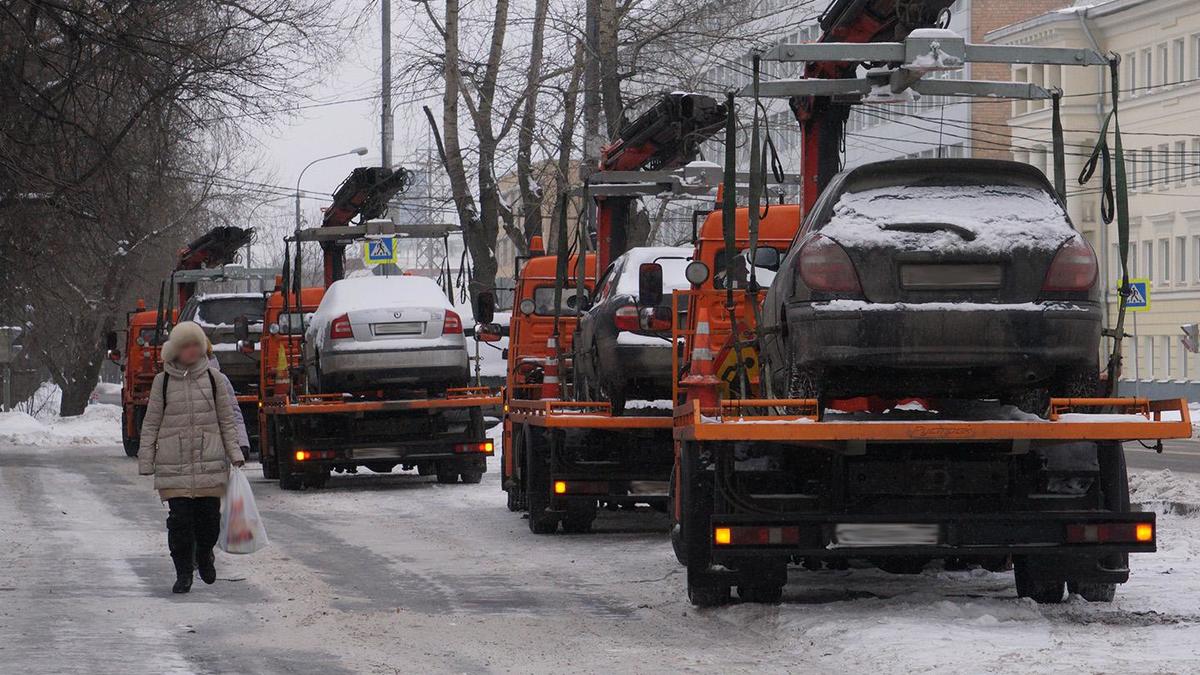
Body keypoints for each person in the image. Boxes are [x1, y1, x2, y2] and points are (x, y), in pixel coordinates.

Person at [138, 321, 245, 594]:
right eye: (186, 346)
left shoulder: (214, 379)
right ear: (175, 350)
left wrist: (235, 453)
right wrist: (146, 458)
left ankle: (205, 553)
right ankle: (183, 572)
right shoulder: (162, 383)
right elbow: (151, 422)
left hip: (209, 459)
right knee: (180, 522)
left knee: (209, 519)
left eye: (196, 344)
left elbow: (227, 419)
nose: (192, 351)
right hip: (174, 463)